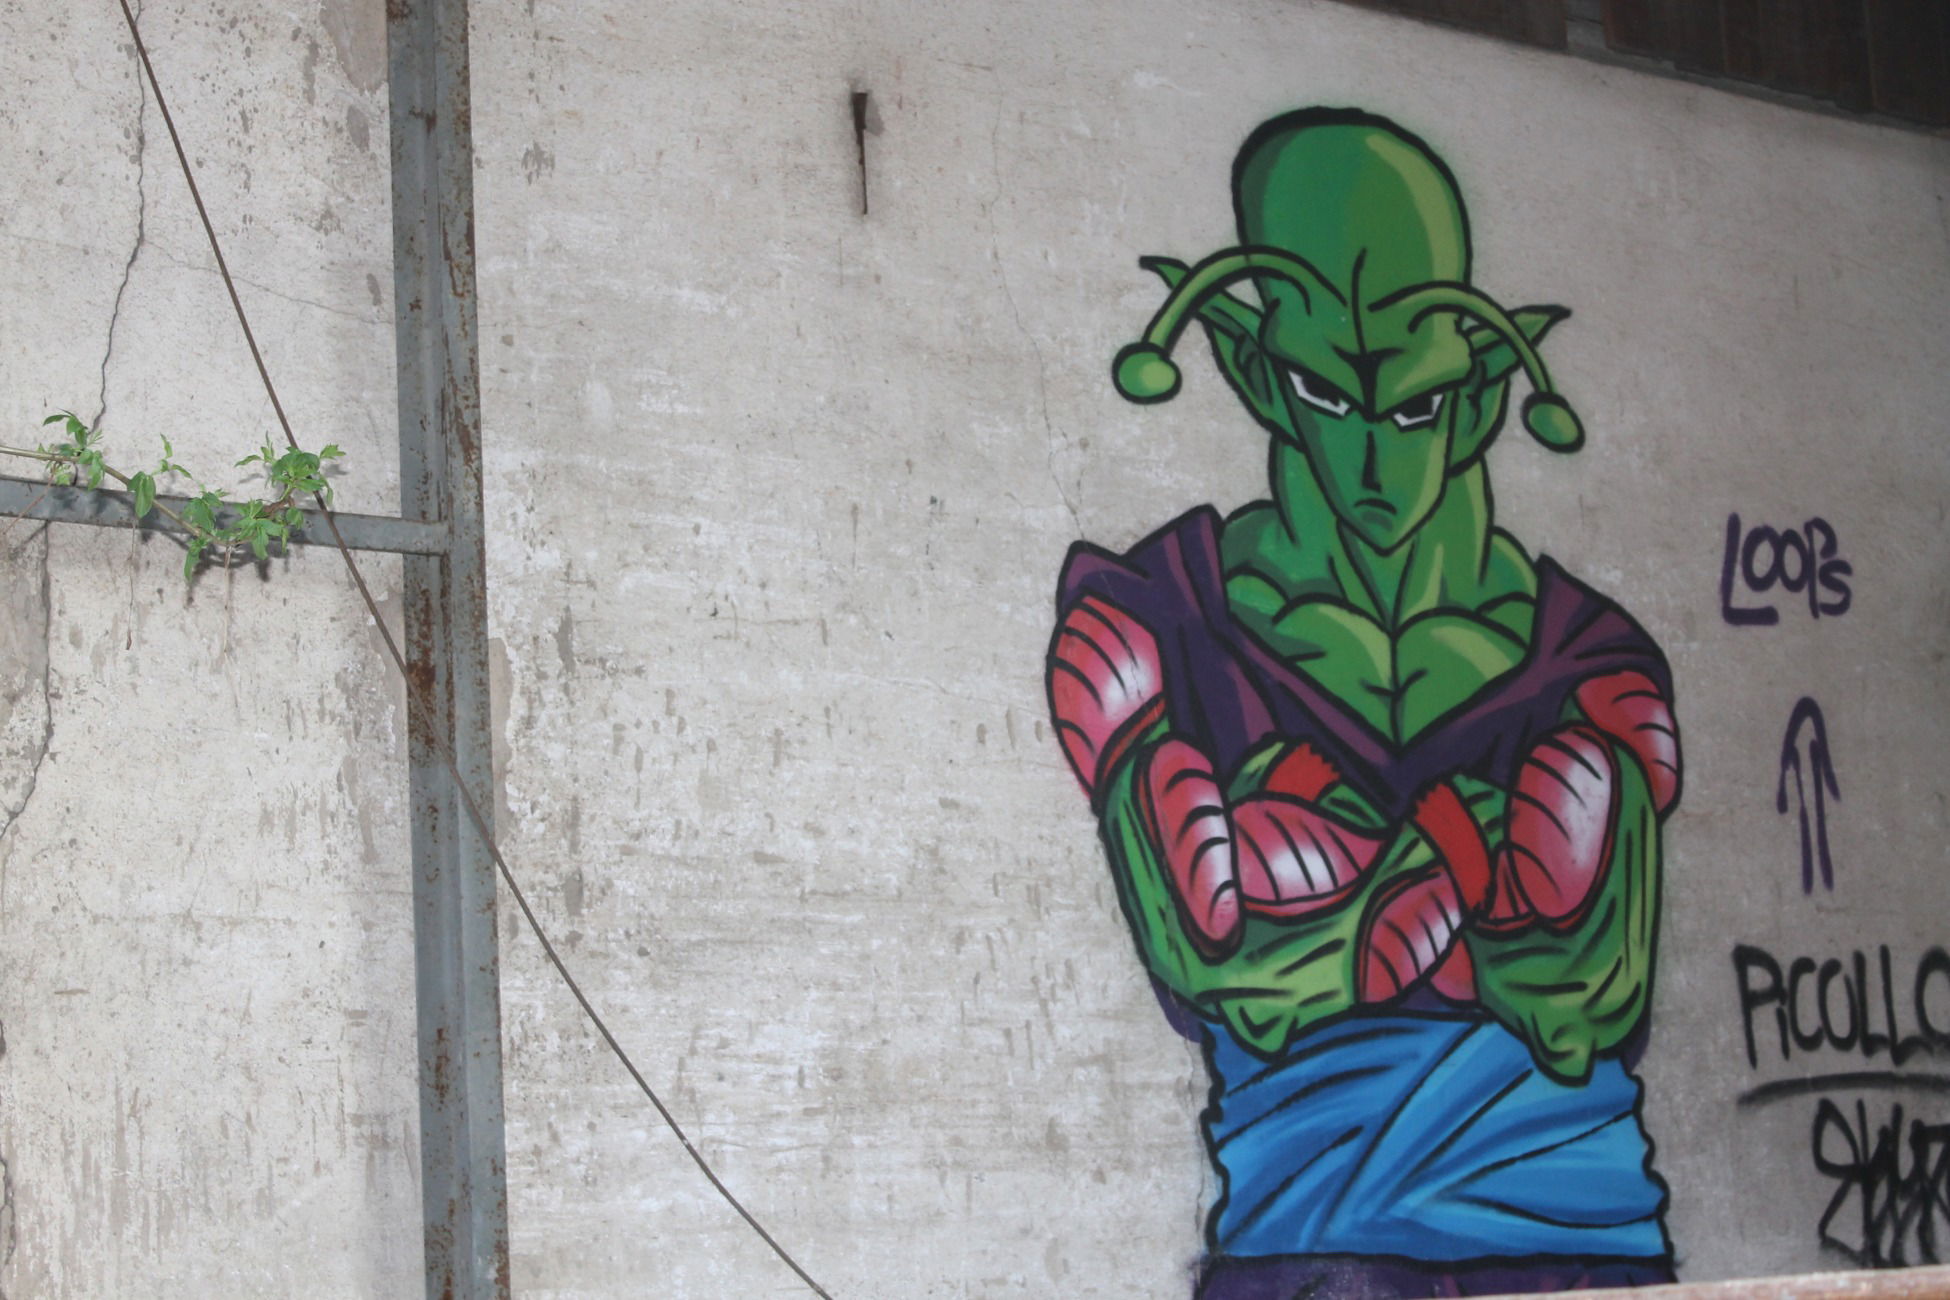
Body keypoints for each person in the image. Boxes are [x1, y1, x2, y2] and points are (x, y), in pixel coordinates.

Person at [1046, 108, 1683, 1298]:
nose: (1377, 461)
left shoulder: (1593, 661)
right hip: (1308, 1250)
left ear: (1482, 388)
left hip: (1576, 1247)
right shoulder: (1149, 625)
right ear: (1252, 368)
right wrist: (1476, 865)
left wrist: (1321, 874)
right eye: (1327, 393)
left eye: (1417, 406)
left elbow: (1592, 983)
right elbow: (1214, 955)